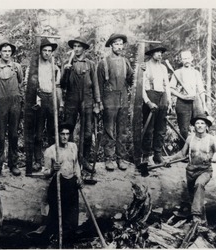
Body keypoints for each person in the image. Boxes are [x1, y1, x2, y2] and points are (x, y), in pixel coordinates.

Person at [165, 114, 216, 224]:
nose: (199, 125)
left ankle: (196, 217)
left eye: (202, 123)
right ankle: (204, 224)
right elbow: (182, 153)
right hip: (190, 171)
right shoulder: (190, 138)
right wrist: (170, 159)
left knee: (199, 185)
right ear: (194, 126)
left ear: (206, 126)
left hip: (205, 170)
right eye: (197, 123)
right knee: (195, 198)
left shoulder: (212, 139)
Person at [61, 37, 102, 172]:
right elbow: (63, 85)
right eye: (75, 46)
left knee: (88, 133)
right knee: (68, 131)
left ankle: (84, 160)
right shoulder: (67, 63)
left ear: (84, 48)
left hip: (87, 100)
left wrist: (97, 102)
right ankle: (69, 159)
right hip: (71, 100)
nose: (77, 49)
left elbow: (95, 84)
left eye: (79, 46)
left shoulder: (90, 64)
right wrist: (66, 70)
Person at [24, 38, 63, 173]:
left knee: (53, 132)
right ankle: (37, 161)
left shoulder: (55, 67)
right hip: (39, 100)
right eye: (45, 50)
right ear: (40, 52)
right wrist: (36, 97)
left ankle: (52, 161)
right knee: (38, 134)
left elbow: (57, 86)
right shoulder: (34, 68)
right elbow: (27, 86)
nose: (47, 53)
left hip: (51, 100)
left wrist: (59, 103)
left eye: (49, 51)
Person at [97, 33, 134, 171]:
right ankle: (109, 158)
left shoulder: (126, 62)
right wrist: (99, 102)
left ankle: (121, 158)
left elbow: (131, 80)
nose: (119, 46)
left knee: (122, 130)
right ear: (111, 45)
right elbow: (99, 85)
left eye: (121, 44)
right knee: (109, 130)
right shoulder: (104, 62)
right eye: (116, 44)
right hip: (109, 99)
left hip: (123, 98)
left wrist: (140, 71)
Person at [43, 123, 83, 244]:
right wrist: (52, 170)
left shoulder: (73, 147)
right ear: (57, 135)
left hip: (72, 184)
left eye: (67, 134)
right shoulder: (50, 151)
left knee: (72, 216)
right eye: (62, 134)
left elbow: (76, 164)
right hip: (58, 185)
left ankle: (69, 241)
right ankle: (56, 240)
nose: (65, 137)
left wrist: (79, 177)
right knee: (57, 216)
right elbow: (46, 173)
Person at [0, 40, 24, 178]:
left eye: (9, 51)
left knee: (14, 135)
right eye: (4, 51)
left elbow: (21, 83)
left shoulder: (17, 67)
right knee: (1, 136)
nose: (7, 53)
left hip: (15, 103)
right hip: (0, 104)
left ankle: (13, 164)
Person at [169, 50, 208, 147]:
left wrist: (204, 106)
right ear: (181, 60)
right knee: (184, 129)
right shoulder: (177, 73)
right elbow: (170, 88)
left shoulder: (196, 73)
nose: (186, 60)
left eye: (188, 58)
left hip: (196, 102)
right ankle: (184, 153)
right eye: (184, 58)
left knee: (201, 125)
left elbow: (201, 90)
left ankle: (202, 150)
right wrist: (182, 96)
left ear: (192, 58)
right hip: (182, 103)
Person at [141, 44, 172, 164]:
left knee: (161, 128)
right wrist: (147, 102)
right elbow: (142, 87)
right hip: (150, 95)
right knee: (148, 128)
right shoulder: (145, 67)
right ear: (151, 53)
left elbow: (167, 85)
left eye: (161, 52)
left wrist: (168, 101)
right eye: (157, 52)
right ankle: (145, 155)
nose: (159, 54)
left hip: (162, 96)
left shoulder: (163, 68)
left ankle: (157, 154)